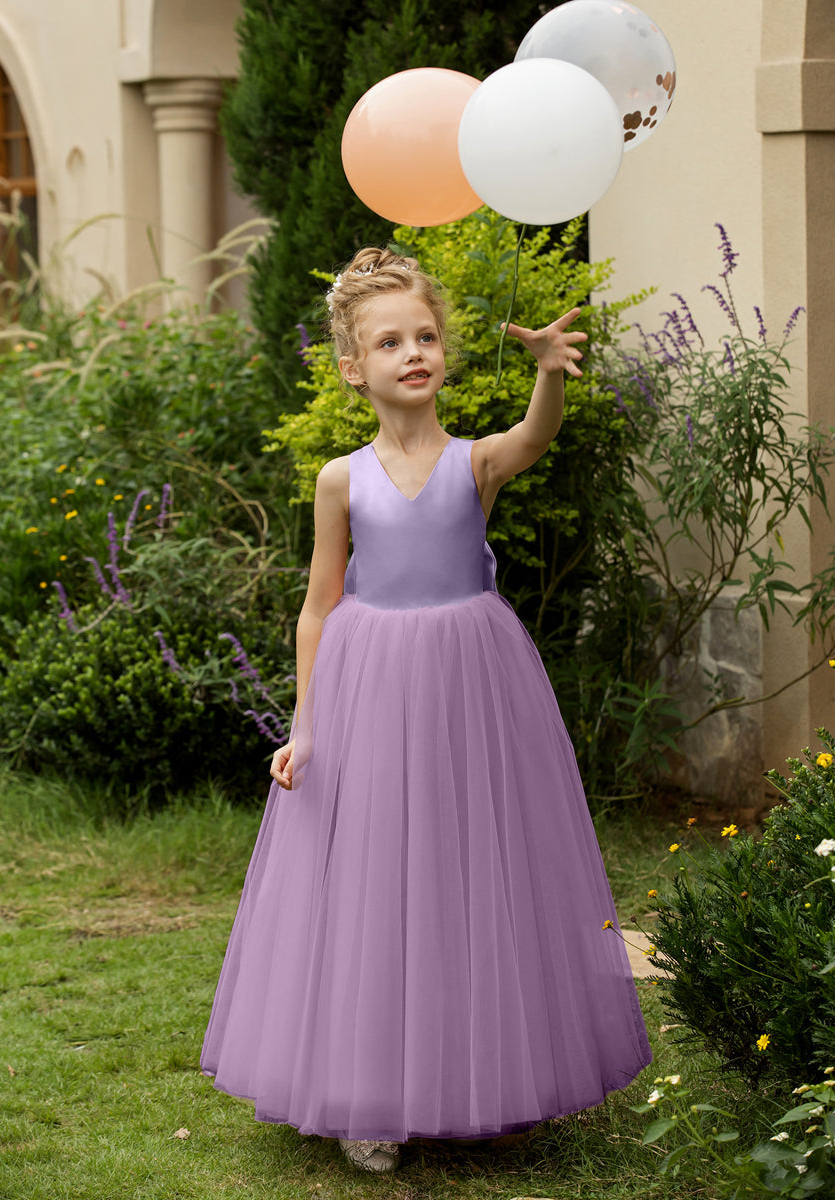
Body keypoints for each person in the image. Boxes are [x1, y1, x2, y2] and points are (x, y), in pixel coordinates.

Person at [201, 247, 652, 1174]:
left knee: (475, 868)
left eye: (427, 337)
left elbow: (534, 439)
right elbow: (319, 606)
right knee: (375, 879)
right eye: (390, 342)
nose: (414, 353)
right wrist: (305, 726)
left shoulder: (473, 462)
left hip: (471, 686)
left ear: (445, 351)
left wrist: (547, 374)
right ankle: (369, 1093)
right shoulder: (341, 479)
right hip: (369, 686)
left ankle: (494, 1073)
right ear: (351, 368)